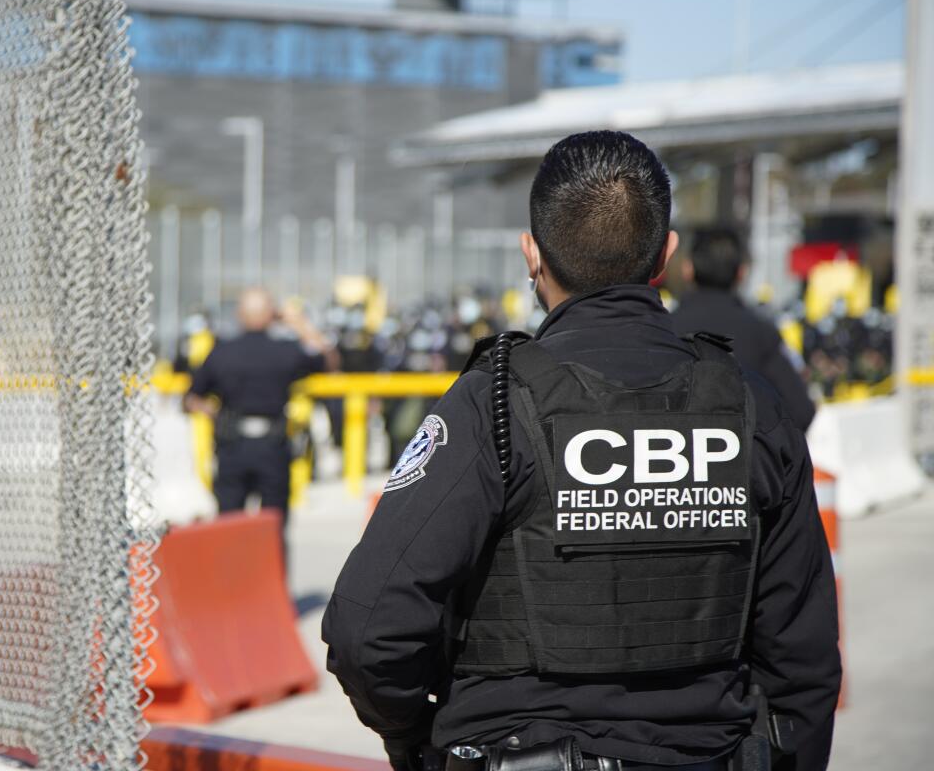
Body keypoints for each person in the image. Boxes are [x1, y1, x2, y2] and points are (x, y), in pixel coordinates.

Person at [323, 132, 840, 771]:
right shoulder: (750, 406)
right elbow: (804, 657)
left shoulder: (494, 405)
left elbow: (367, 626)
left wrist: (417, 738)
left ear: (531, 254)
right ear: (666, 256)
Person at [184, 288, 335, 537]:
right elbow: (328, 361)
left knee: (228, 527)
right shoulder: (286, 351)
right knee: (273, 528)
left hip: (231, 444)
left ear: (239, 315)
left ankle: (231, 575)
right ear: (271, 315)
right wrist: (299, 323)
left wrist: (211, 411)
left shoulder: (222, 351)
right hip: (272, 445)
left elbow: (191, 398)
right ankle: (272, 576)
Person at [673, 227, 816, 431]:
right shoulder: (761, 333)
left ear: (688, 269)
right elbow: (801, 411)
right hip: (746, 454)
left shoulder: (663, 328)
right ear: (741, 272)